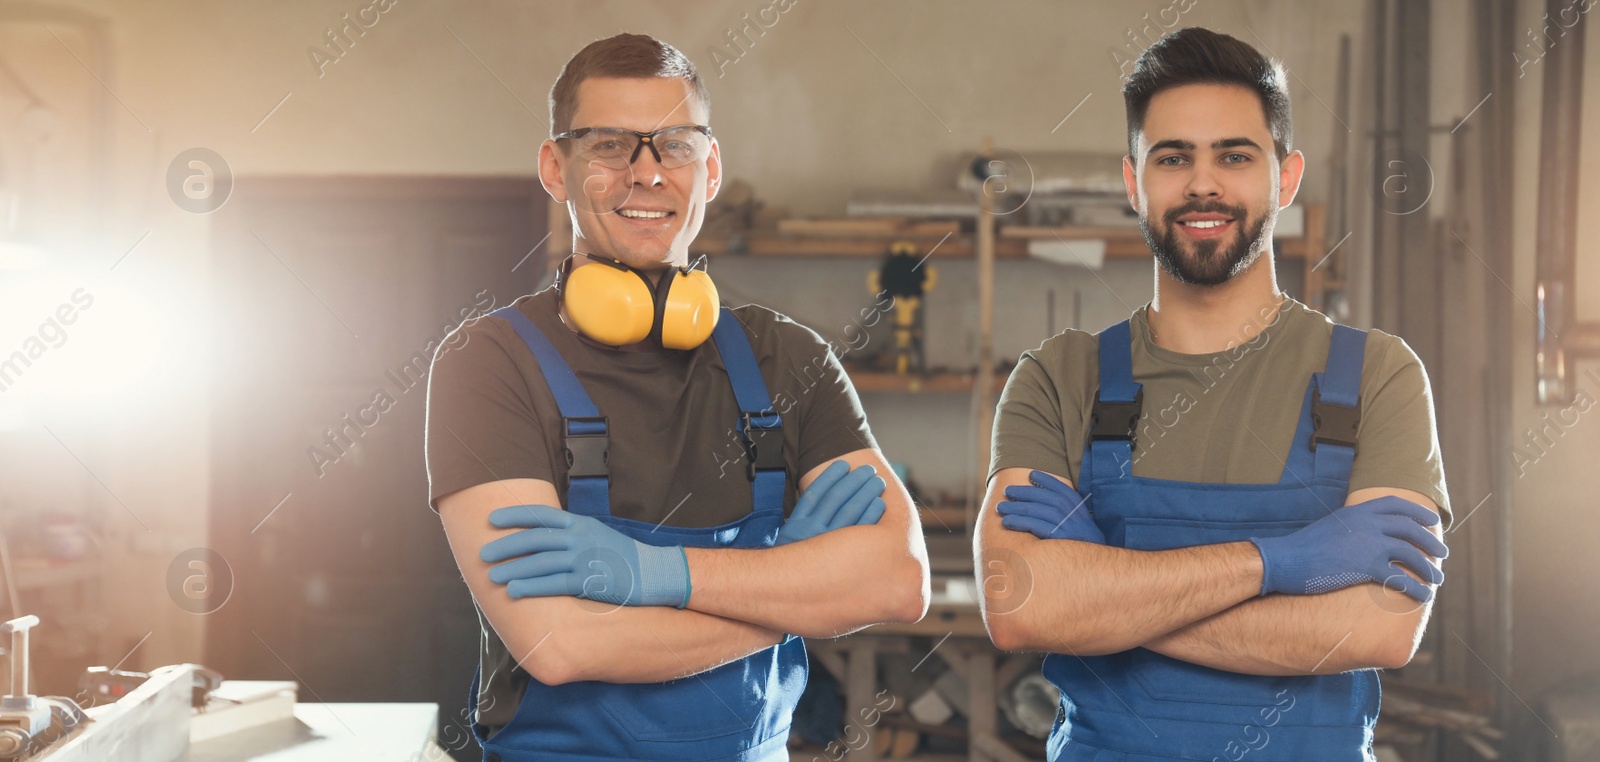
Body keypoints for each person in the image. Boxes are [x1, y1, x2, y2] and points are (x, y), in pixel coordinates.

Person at [425, 33, 930, 762]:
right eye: (608, 145)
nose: (647, 174)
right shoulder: (490, 362)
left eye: (675, 145)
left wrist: (659, 576)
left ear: (711, 168)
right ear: (555, 168)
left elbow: (897, 581)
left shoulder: (786, 357)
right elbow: (559, 644)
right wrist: (791, 592)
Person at [976, 27, 1451, 762]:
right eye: (1173, 158)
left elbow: (1381, 629)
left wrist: (1102, 591)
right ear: (1133, 182)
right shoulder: (1059, 377)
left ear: (1285, 179)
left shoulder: (1377, 376)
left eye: (1234, 155)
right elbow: (1015, 607)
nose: (1204, 185)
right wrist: (1278, 565)